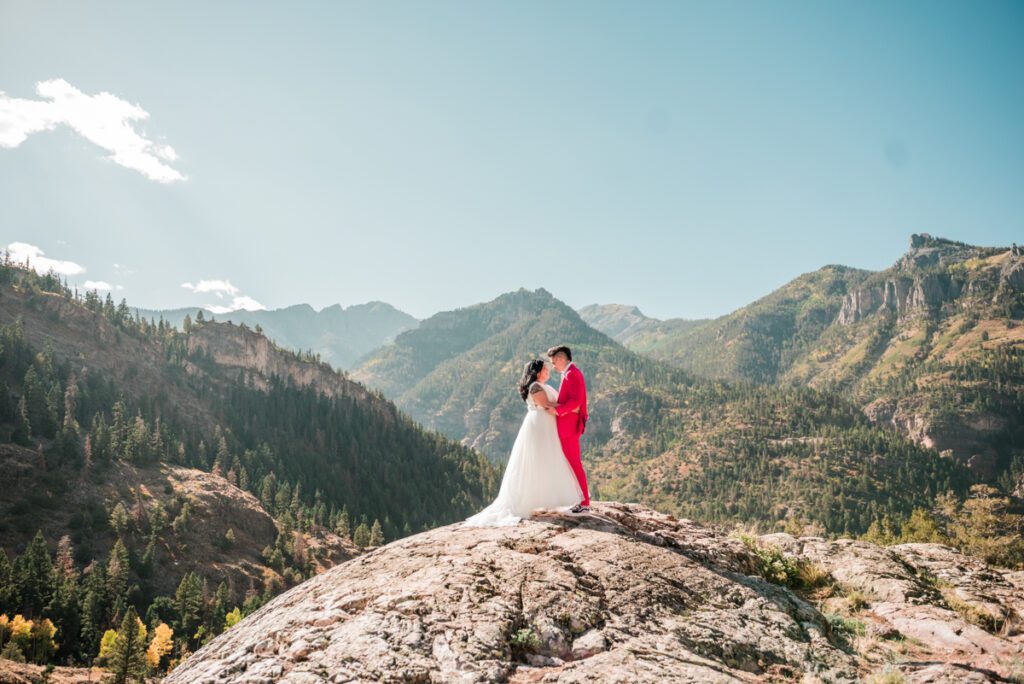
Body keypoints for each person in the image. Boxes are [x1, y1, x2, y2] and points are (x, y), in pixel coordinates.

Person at [464, 358, 583, 527]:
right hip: (540, 424)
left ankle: (544, 499)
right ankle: (528, 500)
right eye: (545, 369)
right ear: (537, 371)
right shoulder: (535, 387)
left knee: (547, 459)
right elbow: (547, 404)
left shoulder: (543, 386)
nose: (548, 371)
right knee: (537, 459)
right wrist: (572, 407)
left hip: (547, 424)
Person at [546, 344, 590, 513]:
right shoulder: (571, 373)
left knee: (574, 464)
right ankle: (581, 500)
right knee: (572, 464)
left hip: (569, 426)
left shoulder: (572, 374)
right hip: (568, 425)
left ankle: (584, 503)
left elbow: (576, 402)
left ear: (561, 358)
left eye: (554, 362)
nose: (553, 366)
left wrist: (557, 410)